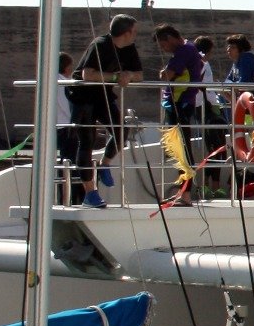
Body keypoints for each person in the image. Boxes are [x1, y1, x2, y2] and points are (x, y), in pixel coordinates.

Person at [75, 14, 143, 202]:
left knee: (121, 130)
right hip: (83, 96)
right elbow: (87, 74)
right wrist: (115, 77)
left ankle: (105, 164)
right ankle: (90, 192)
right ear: (126, 32)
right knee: (87, 141)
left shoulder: (129, 48)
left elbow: (139, 74)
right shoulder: (100, 45)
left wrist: (128, 74)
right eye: (134, 31)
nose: (136, 35)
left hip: (103, 95)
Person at [155, 24, 207, 165]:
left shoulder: (184, 51)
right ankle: (186, 180)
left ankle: (187, 182)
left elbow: (166, 75)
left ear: (170, 38)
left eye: (163, 44)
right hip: (179, 102)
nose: (163, 49)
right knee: (178, 143)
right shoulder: (188, 49)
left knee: (181, 144)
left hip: (180, 102)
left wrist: (164, 73)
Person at [53, 52, 84, 204]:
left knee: (64, 163)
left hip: (58, 128)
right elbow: (69, 106)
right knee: (72, 164)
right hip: (68, 128)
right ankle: (73, 199)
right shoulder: (65, 83)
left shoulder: (52, 81)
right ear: (66, 67)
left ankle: (64, 198)